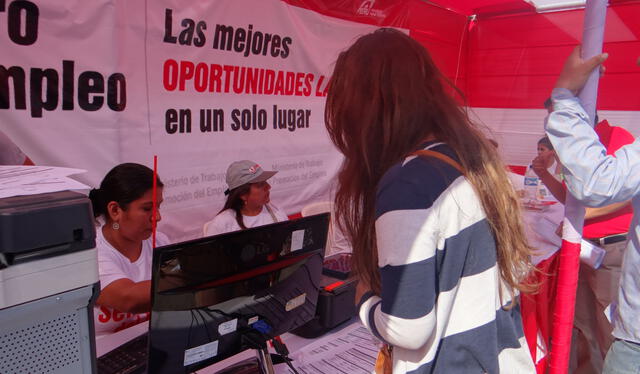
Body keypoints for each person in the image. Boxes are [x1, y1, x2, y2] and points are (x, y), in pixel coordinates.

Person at [325, 28, 535, 373]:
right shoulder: (468, 157)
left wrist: (363, 296)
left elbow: (406, 328)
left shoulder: (408, 183)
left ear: (363, 109)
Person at [545, 46, 640, 374]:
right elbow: (572, 197)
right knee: (584, 328)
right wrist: (544, 171)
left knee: (605, 334)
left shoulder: (617, 138)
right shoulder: (573, 146)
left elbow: (600, 189)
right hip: (588, 253)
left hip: (610, 252)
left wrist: (565, 95)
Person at [89, 163, 167, 336]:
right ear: (115, 210)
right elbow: (129, 299)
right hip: (104, 358)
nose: (157, 217)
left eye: (159, 206)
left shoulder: (160, 241)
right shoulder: (91, 253)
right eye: (147, 208)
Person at [203, 160, 287, 236]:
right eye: (260, 185)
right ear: (243, 194)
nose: (269, 187)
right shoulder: (221, 224)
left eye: (266, 182)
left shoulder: (277, 212)